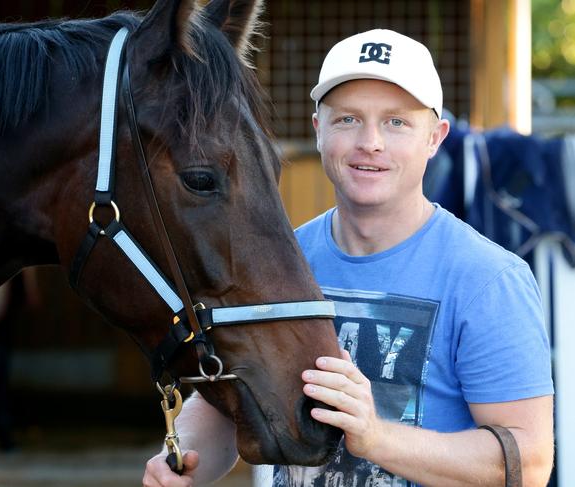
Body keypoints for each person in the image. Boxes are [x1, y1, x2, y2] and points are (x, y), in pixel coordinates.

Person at [142, 29, 554, 487]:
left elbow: (530, 464)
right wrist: (182, 460)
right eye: (348, 120)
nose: (370, 142)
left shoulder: (487, 279)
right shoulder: (273, 263)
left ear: (435, 138)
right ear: (319, 130)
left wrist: (376, 438)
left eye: (396, 122)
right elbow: (223, 406)